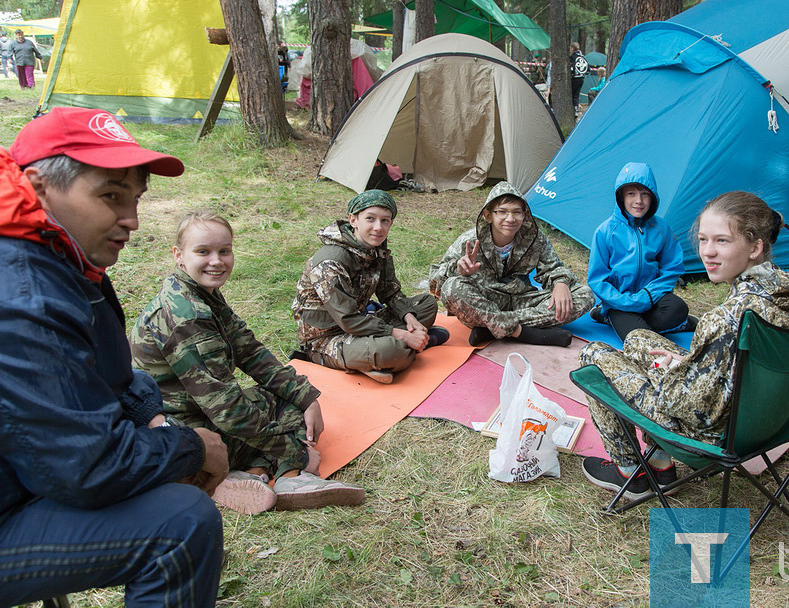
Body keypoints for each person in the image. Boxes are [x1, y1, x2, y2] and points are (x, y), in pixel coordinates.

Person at [0, 107, 225, 606]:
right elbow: (86, 468)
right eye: (110, 196)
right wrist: (192, 447)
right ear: (37, 186)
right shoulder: (23, 294)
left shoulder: (62, 256)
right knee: (181, 525)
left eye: (136, 199)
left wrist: (153, 418)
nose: (133, 220)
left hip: (22, 468)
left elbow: (114, 372)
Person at [579, 191, 789, 500]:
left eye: (722, 241)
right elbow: (734, 364)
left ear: (755, 247)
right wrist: (688, 362)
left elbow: (686, 406)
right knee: (637, 339)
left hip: (710, 434)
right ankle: (659, 464)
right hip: (764, 418)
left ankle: (628, 472)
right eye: (703, 240)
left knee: (592, 355)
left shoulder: (725, 320)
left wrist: (670, 371)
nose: (708, 252)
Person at [131, 211, 366, 515]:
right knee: (280, 410)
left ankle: (252, 473)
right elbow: (226, 409)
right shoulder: (187, 314)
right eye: (203, 251)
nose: (216, 261)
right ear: (179, 255)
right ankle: (290, 476)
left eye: (224, 251)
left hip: (192, 416)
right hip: (176, 435)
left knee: (288, 397)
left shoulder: (199, 294)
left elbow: (250, 351)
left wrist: (306, 397)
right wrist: (293, 450)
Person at [293, 190, 450, 384]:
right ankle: (398, 350)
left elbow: (389, 292)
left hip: (360, 323)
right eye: (370, 219)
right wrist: (400, 334)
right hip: (327, 339)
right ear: (353, 220)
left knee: (426, 304)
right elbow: (348, 320)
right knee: (392, 351)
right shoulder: (330, 262)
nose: (378, 227)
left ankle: (387, 354)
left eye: (385, 220)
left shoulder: (376, 249)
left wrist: (409, 318)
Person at [430, 182, 595, 347]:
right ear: (488, 215)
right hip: (485, 299)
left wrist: (560, 282)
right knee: (452, 287)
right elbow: (435, 282)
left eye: (517, 212)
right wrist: (458, 270)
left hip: (520, 300)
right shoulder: (471, 241)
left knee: (584, 294)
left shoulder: (535, 238)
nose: (510, 219)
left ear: (525, 215)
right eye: (502, 212)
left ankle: (491, 328)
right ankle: (523, 332)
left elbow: (553, 267)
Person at [589, 162, 692, 342]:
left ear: (653, 198)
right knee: (638, 337)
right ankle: (609, 316)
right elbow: (597, 279)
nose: (639, 201)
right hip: (619, 303)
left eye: (645, 194)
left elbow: (672, 268)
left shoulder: (661, 228)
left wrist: (647, 296)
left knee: (678, 309)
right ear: (621, 197)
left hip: (651, 298)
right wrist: (624, 301)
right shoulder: (605, 231)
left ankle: (618, 321)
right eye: (631, 194)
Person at [570, 42, 589, 115]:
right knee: (577, 94)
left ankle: (574, 109)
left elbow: (571, 68)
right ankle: (576, 109)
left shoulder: (572, 57)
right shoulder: (583, 57)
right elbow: (588, 69)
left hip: (575, 78)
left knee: (573, 94)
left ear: (572, 48)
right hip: (582, 78)